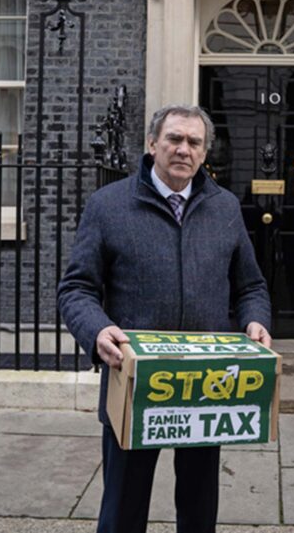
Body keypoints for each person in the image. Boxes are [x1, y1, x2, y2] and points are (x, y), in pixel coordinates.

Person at [58, 104, 272, 533]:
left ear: (205, 151)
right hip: (134, 380)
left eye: (194, 142)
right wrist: (97, 330)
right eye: (174, 139)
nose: (183, 149)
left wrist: (255, 321)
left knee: (198, 510)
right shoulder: (108, 205)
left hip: (205, 384)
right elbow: (76, 288)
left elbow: (250, 286)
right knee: (123, 509)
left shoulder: (225, 207)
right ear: (152, 144)